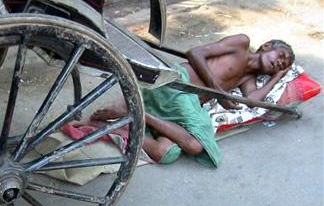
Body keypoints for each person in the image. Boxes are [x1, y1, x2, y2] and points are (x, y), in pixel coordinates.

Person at [89, 35, 295, 167]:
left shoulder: (247, 79)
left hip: (177, 109)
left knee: (166, 153)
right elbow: (195, 53)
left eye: (281, 65)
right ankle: (134, 113)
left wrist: (278, 76)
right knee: (196, 146)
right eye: (281, 56)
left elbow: (252, 100)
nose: (279, 62)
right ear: (267, 45)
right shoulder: (241, 44)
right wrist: (218, 92)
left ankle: (117, 123)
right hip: (176, 85)